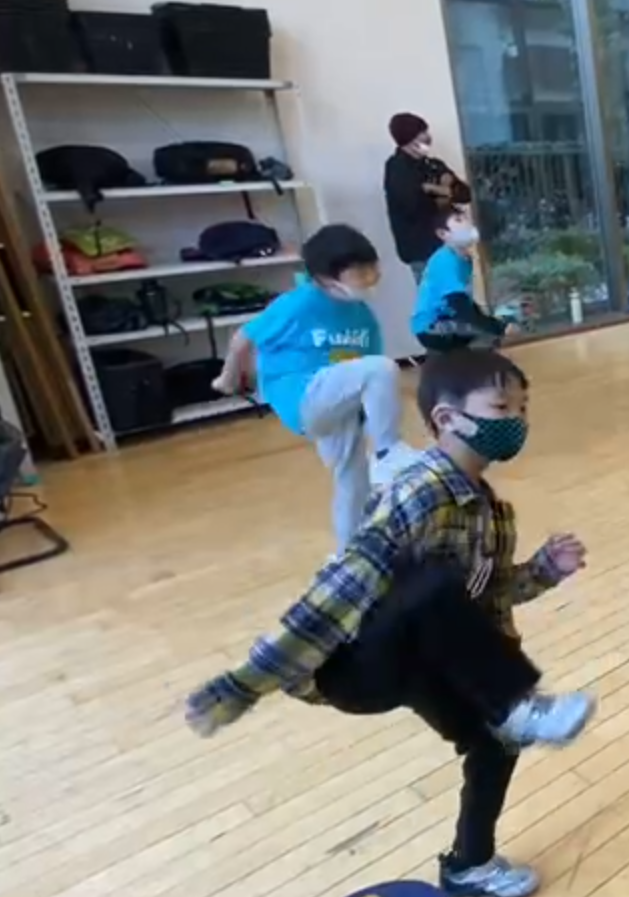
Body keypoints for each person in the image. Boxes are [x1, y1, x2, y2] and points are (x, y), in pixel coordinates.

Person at [183, 350, 596, 897]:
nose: (517, 420)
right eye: (502, 407)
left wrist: (543, 570)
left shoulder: (494, 515)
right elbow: (342, 587)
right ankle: (517, 705)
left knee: (495, 741)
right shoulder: (417, 489)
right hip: (360, 666)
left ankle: (469, 865)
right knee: (427, 580)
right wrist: (246, 683)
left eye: (523, 408)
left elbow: (486, 600)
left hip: (424, 658)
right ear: (446, 418)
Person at [212, 224, 421, 550]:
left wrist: (368, 418)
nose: (371, 278)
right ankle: (388, 452)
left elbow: (369, 383)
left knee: (353, 483)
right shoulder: (298, 303)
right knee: (382, 367)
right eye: (360, 272)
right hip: (302, 393)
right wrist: (227, 379)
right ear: (326, 278)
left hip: (335, 405)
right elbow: (243, 338)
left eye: (373, 268)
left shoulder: (362, 315)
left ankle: (350, 553)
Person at [412, 207, 512, 354]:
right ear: (442, 234)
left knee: (486, 333)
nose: (466, 223)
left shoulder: (463, 260)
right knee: (485, 339)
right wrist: (497, 327)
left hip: (447, 319)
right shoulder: (445, 260)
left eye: (466, 218)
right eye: (458, 220)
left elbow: (465, 302)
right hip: (432, 326)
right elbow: (459, 305)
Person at [384, 113, 469, 284]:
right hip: (422, 249)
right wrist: (443, 191)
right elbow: (413, 205)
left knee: (461, 290)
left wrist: (434, 189)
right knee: (437, 295)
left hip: (451, 243)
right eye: (421, 133)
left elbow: (465, 194)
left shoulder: (433, 165)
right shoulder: (397, 168)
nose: (427, 137)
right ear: (409, 138)